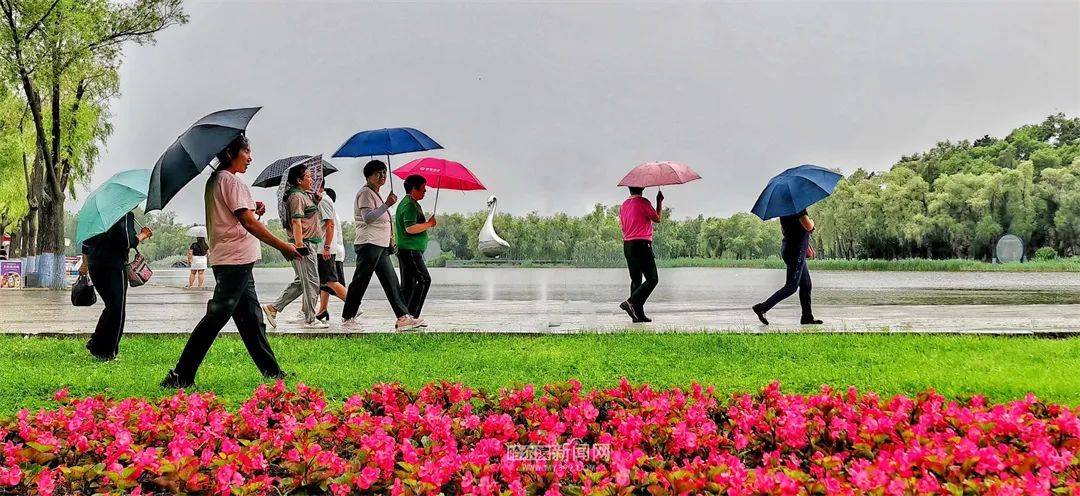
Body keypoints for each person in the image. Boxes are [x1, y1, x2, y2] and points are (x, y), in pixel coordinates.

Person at [161, 134, 301, 389]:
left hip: (234, 260)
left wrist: (253, 210)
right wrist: (282, 246)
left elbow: (236, 217)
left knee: (251, 320)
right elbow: (246, 222)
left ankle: (272, 372)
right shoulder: (231, 181)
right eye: (246, 152)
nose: (250, 157)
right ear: (230, 154)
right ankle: (181, 375)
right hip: (235, 260)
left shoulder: (217, 180)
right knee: (217, 316)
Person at [340, 160, 423, 331]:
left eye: (384, 172)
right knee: (360, 281)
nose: (383, 176)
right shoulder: (365, 193)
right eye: (378, 173)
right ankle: (348, 317)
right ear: (369, 176)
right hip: (369, 244)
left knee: (391, 281)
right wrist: (387, 204)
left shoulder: (375, 193)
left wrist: (390, 240)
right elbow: (368, 217)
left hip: (380, 245)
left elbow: (384, 220)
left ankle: (403, 317)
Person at [79, 211, 153, 360]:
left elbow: (85, 243)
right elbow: (128, 241)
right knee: (118, 309)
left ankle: (96, 343)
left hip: (95, 265)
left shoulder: (95, 216)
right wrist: (143, 235)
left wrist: (85, 264)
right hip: (114, 266)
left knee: (111, 306)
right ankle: (108, 351)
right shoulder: (124, 215)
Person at [263, 166, 328, 329]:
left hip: (308, 242)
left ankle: (273, 308)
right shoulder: (296, 197)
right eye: (308, 176)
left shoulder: (304, 195)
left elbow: (307, 215)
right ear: (299, 180)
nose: (311, 179)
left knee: (301, 282)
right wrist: (299, 245)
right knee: (312, 281)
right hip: (304, 243)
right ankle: (311, 319)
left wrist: (316, 201)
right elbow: (296, 222)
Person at [752, 210, 823, 325]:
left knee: (806, 285)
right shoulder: (798, 208)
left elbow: (788, 229)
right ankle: (762, 307)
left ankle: (807, 317)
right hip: (796, 251)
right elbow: (808, 225)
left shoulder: (784, 210)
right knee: (791, 286)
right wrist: (812, 222)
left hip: (790, 249)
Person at [618, 186, 663, 323]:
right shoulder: (643, 202)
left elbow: (623, 226)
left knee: (636, 280)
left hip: (628, 245)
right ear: (642, 188)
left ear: (629, 189)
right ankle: (630, 302)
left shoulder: (623, 205)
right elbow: (657, 218)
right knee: (652, 279)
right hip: (642, 244)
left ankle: (638, 316)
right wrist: (659, 202)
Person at [395, 174, 436, 320]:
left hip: (407, 249)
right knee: (424, 280)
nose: (425, 191)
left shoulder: (410, 203)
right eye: (423, 189)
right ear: (414, 188)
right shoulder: (409, 205)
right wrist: (429, 225)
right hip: (410, 250)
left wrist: (427, 225)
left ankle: (404, 318)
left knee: (408, 285)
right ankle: (413, 315)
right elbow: (410, 228)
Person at [315, 187, 348, 322]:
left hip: (328, 250)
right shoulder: (328, 206)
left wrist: (326, 247)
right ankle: (322, 310)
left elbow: (330, 226)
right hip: (331, 250)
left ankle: (354, 305)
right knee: (326, 282)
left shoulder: (325, 202)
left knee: (331, 281)